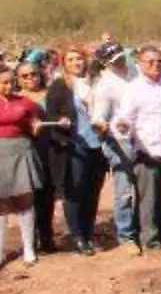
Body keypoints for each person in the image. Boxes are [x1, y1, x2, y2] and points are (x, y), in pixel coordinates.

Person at [113, 46, 161, 256]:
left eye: (158, 61)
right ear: (140, 64)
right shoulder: (134, 88)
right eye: (150, 61)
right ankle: (150, 242)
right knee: (148, 201)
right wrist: (122, 126)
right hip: (147, 152)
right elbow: (123, 118)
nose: (155, 65)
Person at [44, 48, 107, 256]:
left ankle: (89, 233)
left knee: (92, 191)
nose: (76, 62)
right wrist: (60, 123)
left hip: (97, 144)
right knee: (74, 191)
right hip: (73, 145)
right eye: (70, 59)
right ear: (64, 63)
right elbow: (50, 114)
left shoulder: (94, 83)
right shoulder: (59, 86)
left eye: (79, 58)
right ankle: (78, 237)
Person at [1, 65, 59, 269]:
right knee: (1, 205)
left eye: (11, 81)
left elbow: (37, 125)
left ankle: (29, 249)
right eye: (4, 82)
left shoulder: (26, 103)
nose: (9, 86)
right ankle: (0, 252)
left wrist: (37, 127)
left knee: (25, 200)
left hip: (22, 151)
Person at [90, 41, 140, 255]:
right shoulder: (104, 85)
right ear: (105, 63)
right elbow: (98, 118)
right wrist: (102, 125)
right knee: (125, 190)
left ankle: (145, 230)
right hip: (119, 140)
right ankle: (126, 235)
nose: (119, 62)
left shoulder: (136, 70)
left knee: (145, 186)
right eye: (113, 61)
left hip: (142, 137)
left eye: (120, 57)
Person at [15, 60, 54, 253]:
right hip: (24, 151)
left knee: (47, 194)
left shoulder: (50, 94)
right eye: (25, 76)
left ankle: (47, 237)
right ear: (18, 79)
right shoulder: (15, 98)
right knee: (29, 196)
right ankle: (31, 240)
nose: (30, 78)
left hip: (49, 149)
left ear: (40, 74)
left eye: (33, 74)